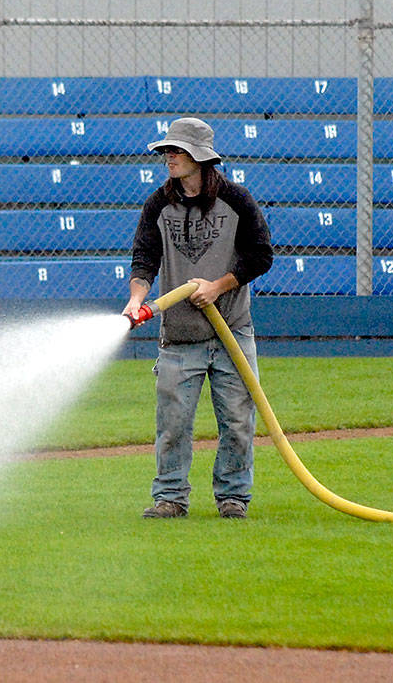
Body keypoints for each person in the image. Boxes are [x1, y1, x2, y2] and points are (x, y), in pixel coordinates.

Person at [122, 117, 273, 520]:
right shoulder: (158, 204)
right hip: (179, 335)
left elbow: (261, 256)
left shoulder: (237, 200)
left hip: (231, 332)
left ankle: (233, 496)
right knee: (172, 424)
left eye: (177, 151)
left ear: (201, 159)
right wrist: (137, 297)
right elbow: (144, 258)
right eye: (167, 151)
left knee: (238, 420)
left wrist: (219, 285)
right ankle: (170, 497)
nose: (169, 157)